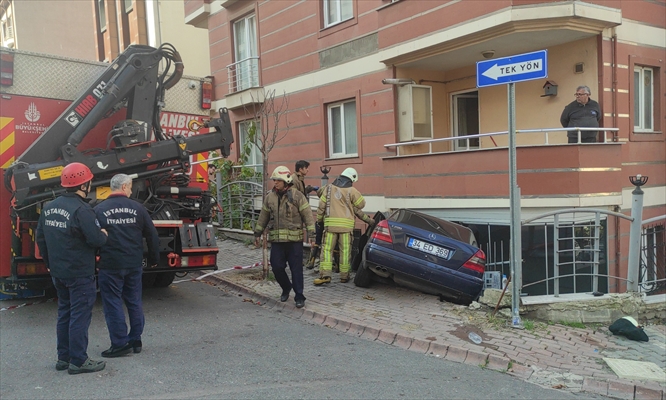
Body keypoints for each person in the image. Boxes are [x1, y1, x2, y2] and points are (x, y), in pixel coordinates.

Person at [35, 162, 108, 375]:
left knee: (65, 313)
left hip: (59, 272)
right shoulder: (82, 209)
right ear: (83, 184)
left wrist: (50, 265)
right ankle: (79, 360)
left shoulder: (48, 207)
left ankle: (63, 358)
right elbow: (95, 239)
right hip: (79, 272)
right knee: (79, 315)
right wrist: (104, 234)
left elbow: (42, 239)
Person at [94, 174, 160, 358]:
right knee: (134, 300)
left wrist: (93, 259)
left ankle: (119, 343)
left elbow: (92, 237)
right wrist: (154, 258)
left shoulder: (99, 209)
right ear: (123, 187)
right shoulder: (138, 208)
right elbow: (152, 235)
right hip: (133, 263)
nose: (131, 191)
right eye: (130, 187)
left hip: (111, 264)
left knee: (113, 302)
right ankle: (135, 340)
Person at [254, 166, 315, 308]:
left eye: (278, 180)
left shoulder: (298, 196)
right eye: (274, 180)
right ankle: (286, 287)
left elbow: (308, 216)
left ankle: (299, 296)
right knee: (276, 267)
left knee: (296, 270)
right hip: (277, 242)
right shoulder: (270, 197)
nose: (275, 182)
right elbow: (263, 217)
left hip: (294, 242)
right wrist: (257, 233)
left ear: (286, 181)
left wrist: (311, 235)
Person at [314, 167, 373, 285]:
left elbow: (321, 206)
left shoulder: (329, 188)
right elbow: (360, 205)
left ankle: (325, 275)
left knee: (326, 250)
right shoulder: (352, 191)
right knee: (345, 251)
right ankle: (344, 277)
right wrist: (370, 221)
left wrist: (319, 220)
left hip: (330, 227)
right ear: (352, 179)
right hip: (346, 229)